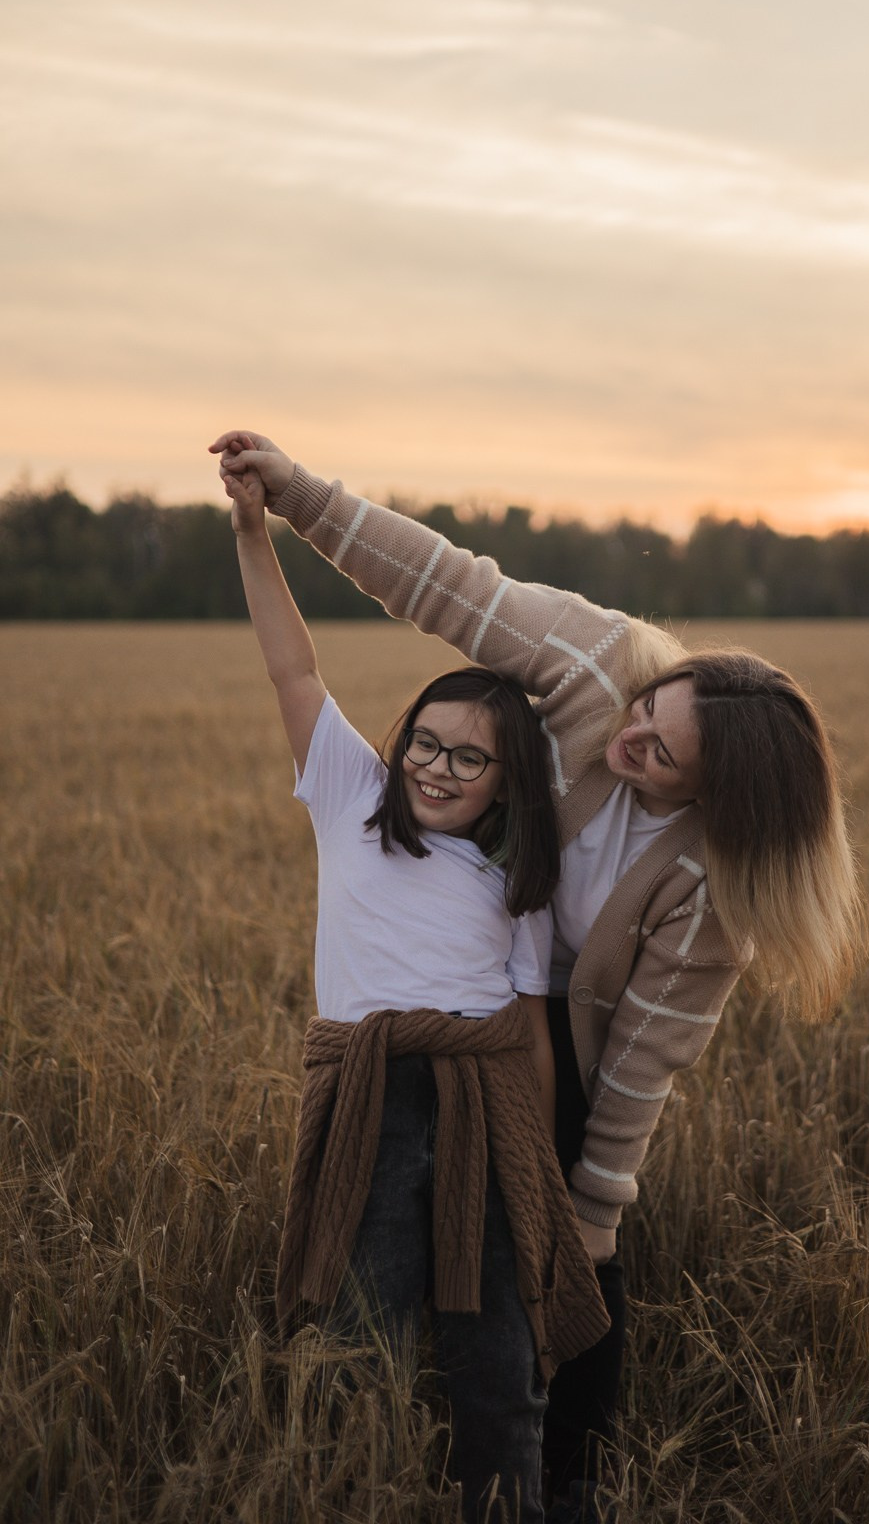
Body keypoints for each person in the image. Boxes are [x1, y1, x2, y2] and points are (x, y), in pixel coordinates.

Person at [213, 430, 869, 1522]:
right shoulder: (589, 667)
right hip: (437, 1003)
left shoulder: (710, 890)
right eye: (647, 710)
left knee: (558, 1261)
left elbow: (636, 1066)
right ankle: (367, 1447)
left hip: (541, 1035)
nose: (630, 739)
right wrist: (293, 499)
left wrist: (588, 1213)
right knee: (378, 1262)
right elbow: (443, 584)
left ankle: (559, 1474)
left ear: (716, 802)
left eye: (661, 754)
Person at [220, 457, 610, 1524]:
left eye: (468, 760)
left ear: (505, 782)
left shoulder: (514, 879)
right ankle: (353, 1490)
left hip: (483, 1103)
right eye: (424, 744)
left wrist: (537, 1163)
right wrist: (259, 535)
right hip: (367, 1093)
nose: (436, 767)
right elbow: (293, 672)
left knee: (496, 1339)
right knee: (358, 1323)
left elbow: (527, 1025)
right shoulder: (348, 797)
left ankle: (512, 1500)